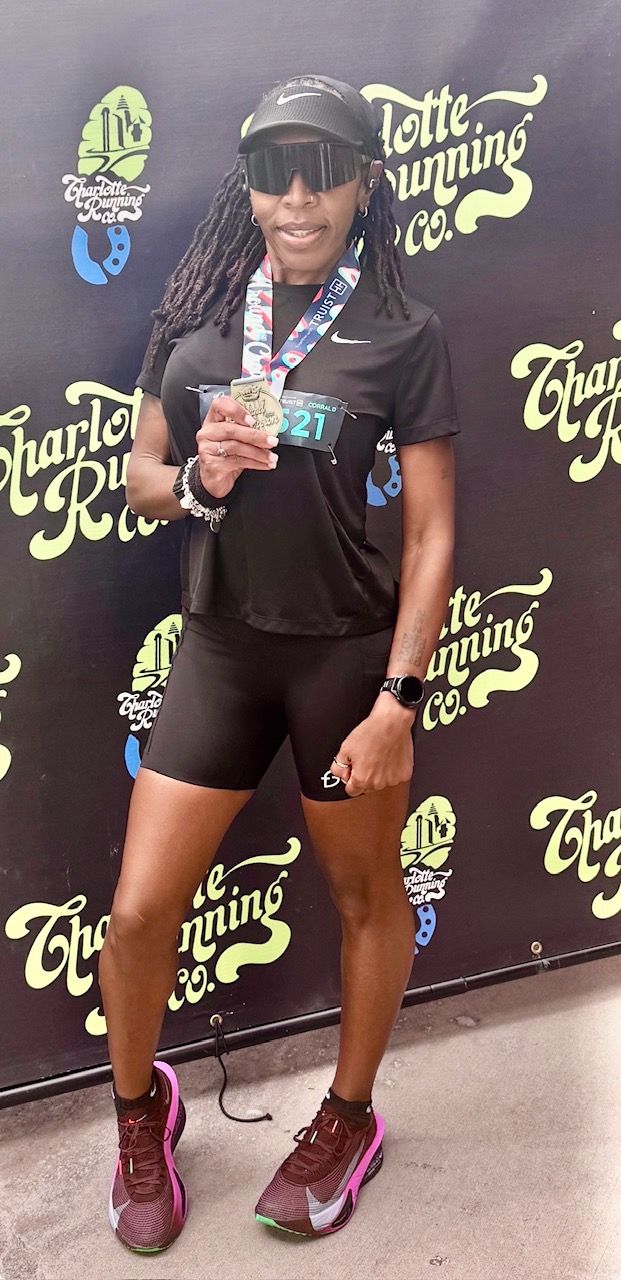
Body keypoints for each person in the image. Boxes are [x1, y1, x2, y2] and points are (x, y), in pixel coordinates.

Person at [98, 73, 460, 1253]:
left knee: (366, 896)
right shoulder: (197, 319)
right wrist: (198, 479)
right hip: (221, 650)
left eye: (323, 170)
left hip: (346, 661)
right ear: (247, 187)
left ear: (364, 182)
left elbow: (431, 534)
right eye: (273, 172)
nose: (297, 198)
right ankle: (142, 1111)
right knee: (137, 914)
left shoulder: (403, 332)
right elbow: (141, 480)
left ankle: (349, 1116)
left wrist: (399, 699)